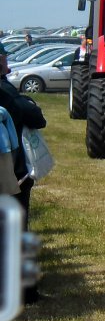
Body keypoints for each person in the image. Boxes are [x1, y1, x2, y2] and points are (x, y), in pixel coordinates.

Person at [0, 41, 46, 225]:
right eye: (4, 56)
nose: (6, 59)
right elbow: (35, 118)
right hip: (11, 170)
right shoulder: (4, 91)